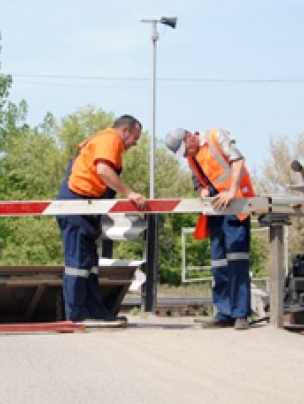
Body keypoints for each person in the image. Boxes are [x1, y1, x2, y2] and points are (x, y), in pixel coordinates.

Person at [56, 115, 147, 322]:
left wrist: (98, 214)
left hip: (87, 206)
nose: (135, 143)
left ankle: (95, 311)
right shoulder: (108, 141)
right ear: (125, 130)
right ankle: (76, 316)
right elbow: (103, 171)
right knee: (77, 264)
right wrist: (130, 193)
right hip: (75, 204)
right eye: (135, 137)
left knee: (89, 264)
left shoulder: (105, 142)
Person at [165, 127, 256, 330]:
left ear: (190, 137)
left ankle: (241, 314)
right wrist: (201, 190)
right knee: (219, 263)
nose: (186, 155)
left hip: (236, 204)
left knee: (237, 260)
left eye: (185, 149)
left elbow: (238, 160)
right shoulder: (192, 157)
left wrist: (231, 191)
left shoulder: (216, 136)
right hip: (215, 209)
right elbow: (197, 179)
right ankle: (224, 313)